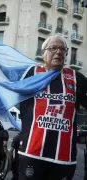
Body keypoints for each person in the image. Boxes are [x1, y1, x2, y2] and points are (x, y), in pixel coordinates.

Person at [18, 35, 87, 180]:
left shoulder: (77, 78)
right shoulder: (30, 74)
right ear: (43, 53)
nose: (59, 52)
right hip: (31, 154)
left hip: (63, 158)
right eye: (53, 48)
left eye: (63, 49)